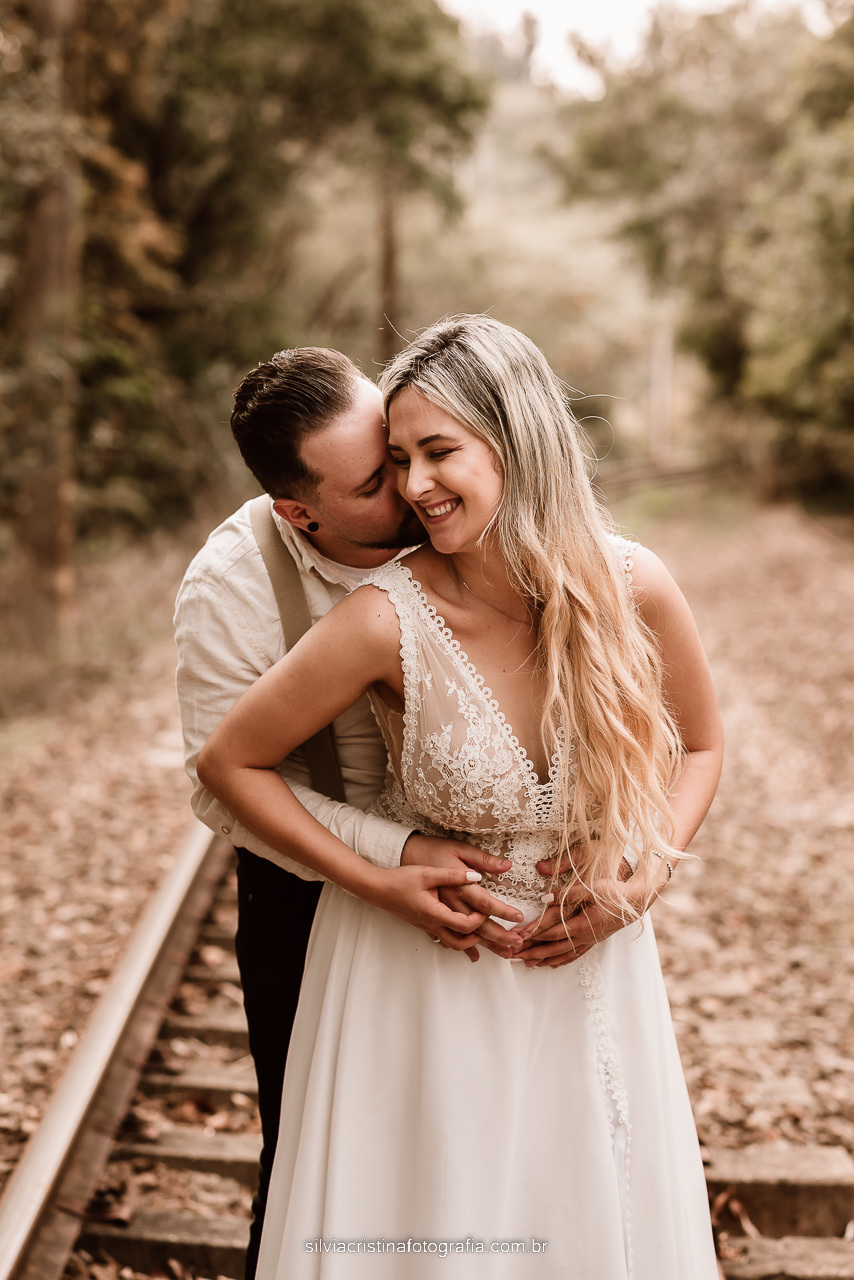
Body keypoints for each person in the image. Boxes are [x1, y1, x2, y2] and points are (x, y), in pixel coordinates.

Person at [197, 316, 725, 1277]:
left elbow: (700, 746)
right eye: (396, 463)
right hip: (426, 974)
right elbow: (227, 763)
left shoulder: (633, 584)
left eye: (436, 453)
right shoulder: (379, 617)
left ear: (516, 437)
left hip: (592, 967)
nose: (413, 487)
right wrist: (377, 876)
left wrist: (644, 873)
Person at [174, 347, 526, 1277]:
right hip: (308, 890)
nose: (412, 485)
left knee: (482, 1152)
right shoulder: (231, 586)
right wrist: (395, 854)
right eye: (376, 480)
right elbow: (220, 782)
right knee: (316, 1162)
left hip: (482, 876)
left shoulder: (458, 512)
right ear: (302, 512)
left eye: (404, 450)